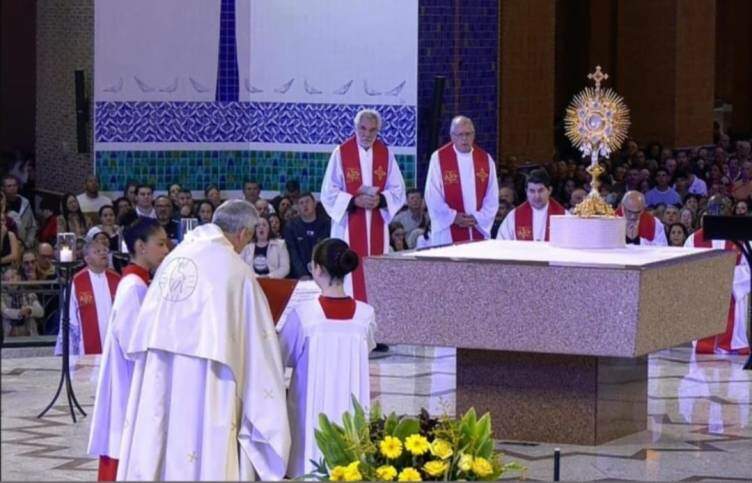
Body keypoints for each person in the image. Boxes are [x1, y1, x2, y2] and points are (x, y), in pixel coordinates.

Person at [116, 200, 290, 480]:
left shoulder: (176, 257)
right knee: (203, 443)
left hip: (163, 369)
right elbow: (258, 343)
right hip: (210, 375)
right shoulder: (236, 271)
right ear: (244, 234)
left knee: (162, 437)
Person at [278, 238, 376, 478]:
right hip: (351, 405)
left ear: (318, 269)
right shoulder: (365, 315)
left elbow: (282, 355)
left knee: (308, 466)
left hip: (310, 408)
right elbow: (367, 349)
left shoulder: (305, 314)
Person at [87, 215, 169, 481]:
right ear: (140, 247)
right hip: (128, 380)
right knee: (124, 445)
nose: (166, 250)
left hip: (134, 378)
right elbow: (133, 343)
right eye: (160, 244)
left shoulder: (141, 283)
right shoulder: (133, 286)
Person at [321, 109, 406, 300]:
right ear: (355, 127)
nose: (367, 134)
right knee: (349, 276)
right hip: (348, 225)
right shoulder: (341, 153)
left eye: (372, 130)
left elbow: (398, 190)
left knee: (375, 281)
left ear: (378, 131)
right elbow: (328, 192)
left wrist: (381, 200)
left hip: (376, 223)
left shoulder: (386, 154)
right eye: (363, 128)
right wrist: (353, 201)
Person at [685, 196, 750, 354]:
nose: (718, 214)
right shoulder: (694, 239)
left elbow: (748, 268)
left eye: (722, 210)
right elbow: (686, 268)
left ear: (729, 212)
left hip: (733, 292)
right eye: (714, 210)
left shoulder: (743, 239)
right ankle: (705, 343)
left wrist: (725, 278)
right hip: (704, 293)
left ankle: (731, 342)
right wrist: (710, 279)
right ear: (708, 212)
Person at [425, 116, 498, 245]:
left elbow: (492, 195)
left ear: (474, 135)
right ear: (452, 136)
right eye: (460, 134)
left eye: (468, 134)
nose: (464, 138)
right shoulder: (438, 158)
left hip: (477, 227)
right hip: (448, 230)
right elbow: (432, 195)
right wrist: (453, 217)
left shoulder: (485, 159)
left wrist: (478, 217)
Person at [55, 240, 121, 355]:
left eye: (104, 250)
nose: (103, 253)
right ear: (87, 259)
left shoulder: (118, 279)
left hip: (116, 347)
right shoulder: (76, 283)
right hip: (87, 349)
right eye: (97, 251)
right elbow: (70, 321)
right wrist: (69, 352)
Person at [497, 169, 565, 241]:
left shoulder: (563, 216)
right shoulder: (513, 217)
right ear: (526, 191)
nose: (537, 196)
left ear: (550, 190)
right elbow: (502, 243)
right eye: (532, 191)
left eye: (540, 191)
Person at [284, 193, 331, 279]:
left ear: (315, 203)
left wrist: (321, 272)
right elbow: (293, 253)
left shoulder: (326, 224)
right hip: (299, 276)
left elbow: (327, 251)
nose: (305, 205)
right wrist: (302, 274)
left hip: (323, 273)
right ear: (298, 207)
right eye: (301, 203)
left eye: (307, 201)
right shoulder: (291, 226)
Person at [1, 268, 44, 337]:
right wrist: (20, 313)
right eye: (7, 279)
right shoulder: (2, 296)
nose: (10, 281)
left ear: (19, 278)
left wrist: (30, 310)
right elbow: (4, 312)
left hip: (29, 332)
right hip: (10, 333)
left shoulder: (29, 293)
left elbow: (41, 311)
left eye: (12, 277)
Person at [2, 175, 37, 247]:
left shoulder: (25, 202)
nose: (12, 188)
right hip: (6, 245)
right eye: (9, 186)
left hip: (23, 243)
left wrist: (29, 242)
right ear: (3, 188)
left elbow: (32, 226)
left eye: (15, 185)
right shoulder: (1, 204)